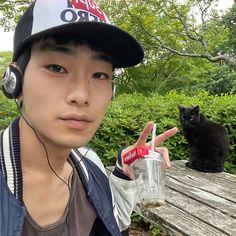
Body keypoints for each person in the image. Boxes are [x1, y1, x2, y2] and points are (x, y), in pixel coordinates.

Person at [0, 0, 178, 235]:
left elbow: (114, 223)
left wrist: (122, 173)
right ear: (14, 81)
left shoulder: (89, 162)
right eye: (56, 68)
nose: (82, 96)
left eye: (99, 74)